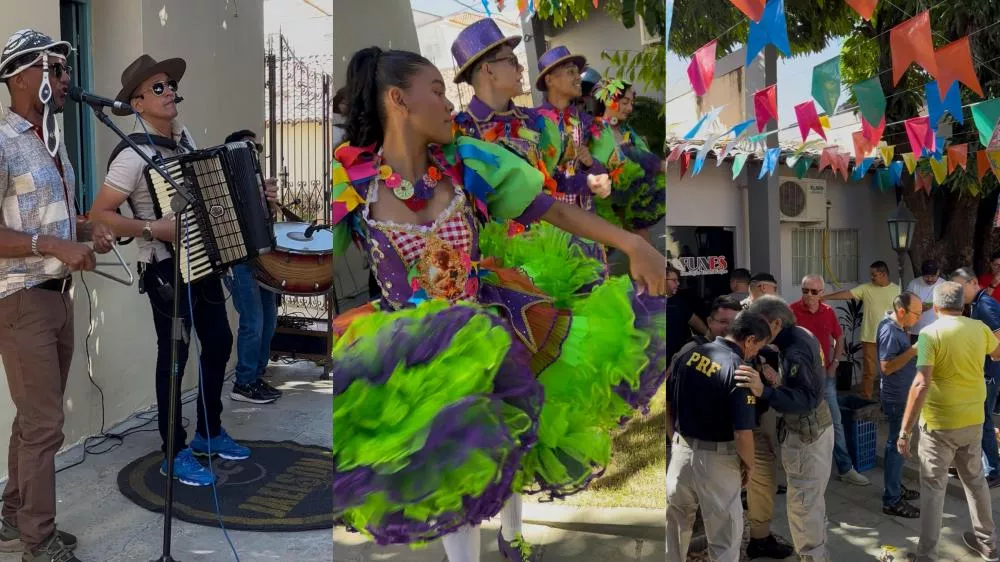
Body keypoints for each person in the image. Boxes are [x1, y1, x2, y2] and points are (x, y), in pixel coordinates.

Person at [329, 46, 667, 562]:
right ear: (398, 100)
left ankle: (512, 540)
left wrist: (633, 243)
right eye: (438, 92)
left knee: (510, 444)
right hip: (413, 363)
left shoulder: (469, 162)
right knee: (453, 478)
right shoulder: (350, 183)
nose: (449, 105)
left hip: (489, 332)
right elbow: (311, 252)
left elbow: (552, 210)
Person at [90, 55, 275, 487]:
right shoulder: (131, 155)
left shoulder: (185, 141)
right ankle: (172, 451)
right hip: (164, 267)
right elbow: (100, 213)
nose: (169, 90)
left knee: (219, 340)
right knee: (173, 353)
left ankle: (209, 433)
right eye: (157, 87)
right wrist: (154, 227)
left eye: (170, 84)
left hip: (202, 259)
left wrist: (250, 195)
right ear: (136, 103)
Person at [0, 28, 115, 562]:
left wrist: (86, 233)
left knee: (32, 419)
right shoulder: (2, 142)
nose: (67, 80)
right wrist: (52, 244)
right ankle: (37, 541)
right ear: (26, 77)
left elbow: (59, 224)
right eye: (57, 69)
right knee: (46, 424)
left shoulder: (52, 143)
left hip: (57, 296)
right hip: (21, 300)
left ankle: (12, 516)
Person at [897, 281, 1000, 561]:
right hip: (973, 420)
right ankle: (988, 543)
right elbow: (996, 351)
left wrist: (904, 431)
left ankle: (927, 555)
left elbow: (920, 384)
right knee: (976, 481)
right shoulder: (978, 328)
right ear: (963, 305)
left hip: (938, 425)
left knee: (933, 488)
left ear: (938, 307)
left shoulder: (930, 334)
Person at [666, 311, 772, 562]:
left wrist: (676, 441)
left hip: (681, 453)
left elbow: (667, 405)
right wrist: (750, 466)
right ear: (749, 340)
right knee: (724, 539)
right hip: (718, 461)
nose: (757, 353)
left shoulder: (687, 354)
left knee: (675, 531)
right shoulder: (739, 369)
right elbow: (742, 433)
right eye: (759, 346)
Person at [739, 296, 834, 561]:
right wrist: (778, 381)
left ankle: (813, 557)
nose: (754, 332)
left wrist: (764, 391)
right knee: (811, 502)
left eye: (759, 325)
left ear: (776, 322)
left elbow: (804, 400)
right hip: (816, 428)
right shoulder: (800, 334)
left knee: (803, 508)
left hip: (806, 433)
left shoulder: (794, 349)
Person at [218, 129, 283, 404]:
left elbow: (270, 220)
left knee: (269, 320)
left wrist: (269, 203)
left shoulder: (257, 184)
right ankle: (244, 382)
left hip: (262, 258)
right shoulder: (220, 184)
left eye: (256, 147)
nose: (254, 152)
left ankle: (256, 376)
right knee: (253, 321)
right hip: (238, 260)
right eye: (249, 148)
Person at [791, 274, 869, 486]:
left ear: (822, 293)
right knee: (801, 424)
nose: (808, 295)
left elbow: (839, 337)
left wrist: (835, 363)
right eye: (805, 290)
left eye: (813, 291)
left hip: (825, 378)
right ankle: (803, 470)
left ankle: (845, 468)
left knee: (835, 422)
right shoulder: (792, 311)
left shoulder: (828, 312)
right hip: (800, 380)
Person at [586, 78, 666, 242]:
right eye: (625, 102)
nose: (630, 108)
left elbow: (645, 160)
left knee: (643, 250)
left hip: (630, 213)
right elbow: (606, 164)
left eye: (631, 103)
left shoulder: (627, 131)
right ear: (609, 100)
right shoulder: (595, 130)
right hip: (604, 213)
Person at [950, 268, 1000, 488]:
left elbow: (998, 339)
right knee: (982, 420)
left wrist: (986, 352)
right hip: (986, 372)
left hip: (989, 374)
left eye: (961, 287)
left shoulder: (985, 305)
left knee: (984, 421)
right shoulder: (977, 304)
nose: (958, 293)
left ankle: (994, 470)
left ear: (974, 283)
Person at [823, 261, 900, 400]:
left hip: (889, 336)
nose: (871, 277)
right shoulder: (866, 288)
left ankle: (890, 397)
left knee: (890, 369)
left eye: (874, 275)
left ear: (883, 274)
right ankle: (866, 398)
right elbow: (847, 294)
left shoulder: (897, 290)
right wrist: (825, 297)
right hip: (869, 337)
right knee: (869, 371)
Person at [876, 292, 923, 519]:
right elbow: (886, 367)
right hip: (897, 399)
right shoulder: (889, 331)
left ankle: (894, 486)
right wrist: (913, 350)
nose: (919, 318)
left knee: (898, 445)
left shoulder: (897, 326)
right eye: (917, 313)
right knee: (897, 445)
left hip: (903, 394)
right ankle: (892, 500)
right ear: (902, 311)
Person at [666, 264, 710, 363]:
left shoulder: (678, 301)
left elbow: (693, 320)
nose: (677, 284)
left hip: (679, 356)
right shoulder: (648, 302)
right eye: (674, 280)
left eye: (678, 280)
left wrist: (709, 336)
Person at [906, 260, 942, 342]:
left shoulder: (944, 285)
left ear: (938, 273)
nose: (929, 279)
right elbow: (906, 303)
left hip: (937, 331)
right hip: (916, 331)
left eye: (933, 276)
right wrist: (918, 306)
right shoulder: (913, 284)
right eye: (926, 276)